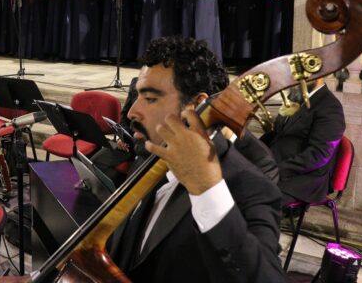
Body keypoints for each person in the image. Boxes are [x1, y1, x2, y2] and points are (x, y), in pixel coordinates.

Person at [108, 36, 284, 282]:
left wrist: (206, 188)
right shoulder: (150, 154)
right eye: (137, 96)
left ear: (197, 105)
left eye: (150, 98)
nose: (132, 112)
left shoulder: (251, 185)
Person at [261, 78, 345, 206]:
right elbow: (277, 134)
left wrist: (276, 170)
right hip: (277, 163)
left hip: (303, 179)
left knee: (252, 195)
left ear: (321, 74)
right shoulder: (295, 97)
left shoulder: (330, 107)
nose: (295, 76)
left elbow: (318, 156)